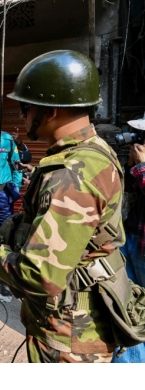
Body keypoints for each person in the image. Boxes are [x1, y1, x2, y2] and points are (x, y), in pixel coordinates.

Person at [0, 50, 124, 363]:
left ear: (50, 111)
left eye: (26, 108)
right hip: (79, 324)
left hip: (70, 336)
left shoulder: (71, 173)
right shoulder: (93, 150)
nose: (22, 117)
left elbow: (41, 276)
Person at [110, 117, 145, 363]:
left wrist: (142, 166)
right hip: (131, 238)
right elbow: (127, 197)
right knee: (125, 305)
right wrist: (132, 167)